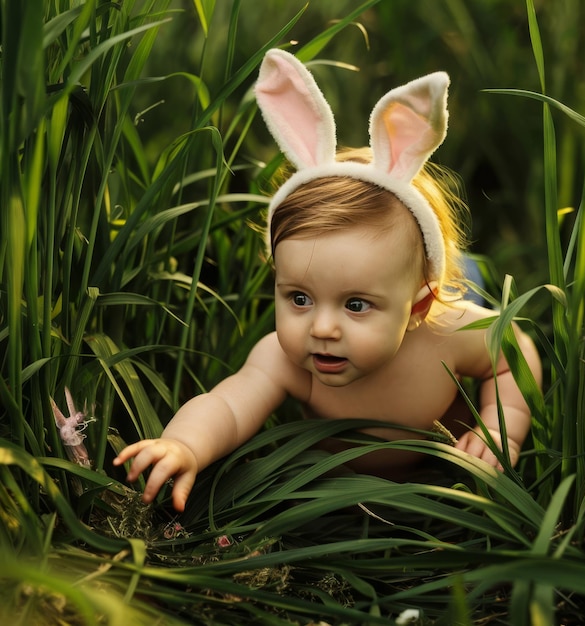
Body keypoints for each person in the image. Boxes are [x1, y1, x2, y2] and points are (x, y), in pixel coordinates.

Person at [113, 49, 542, 512]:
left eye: (356, 305)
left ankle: (461, 268)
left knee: (468, 281)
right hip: (351, 494)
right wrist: (184, 445)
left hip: (434, 468)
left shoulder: (446, 332)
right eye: (299, 297)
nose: (321, 329)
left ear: (418, 307)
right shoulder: (284, 359)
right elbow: (229, 406)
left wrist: (501, 426)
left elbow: (510, 351)